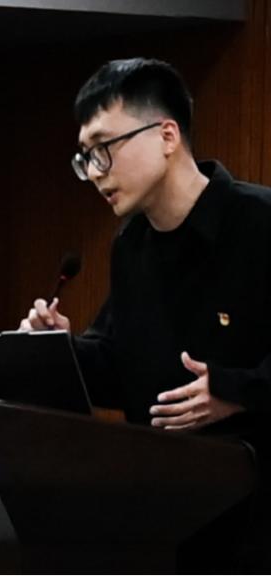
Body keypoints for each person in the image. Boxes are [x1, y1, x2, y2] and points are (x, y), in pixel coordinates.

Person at [18, 58, 271, 571]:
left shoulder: (259, 222)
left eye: (104, 149)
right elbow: (121, 368)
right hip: (166, 519)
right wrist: (56, 349)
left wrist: (236, 390)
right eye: (85, 158)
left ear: (167, 135)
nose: (95, 173)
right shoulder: (131, 245)